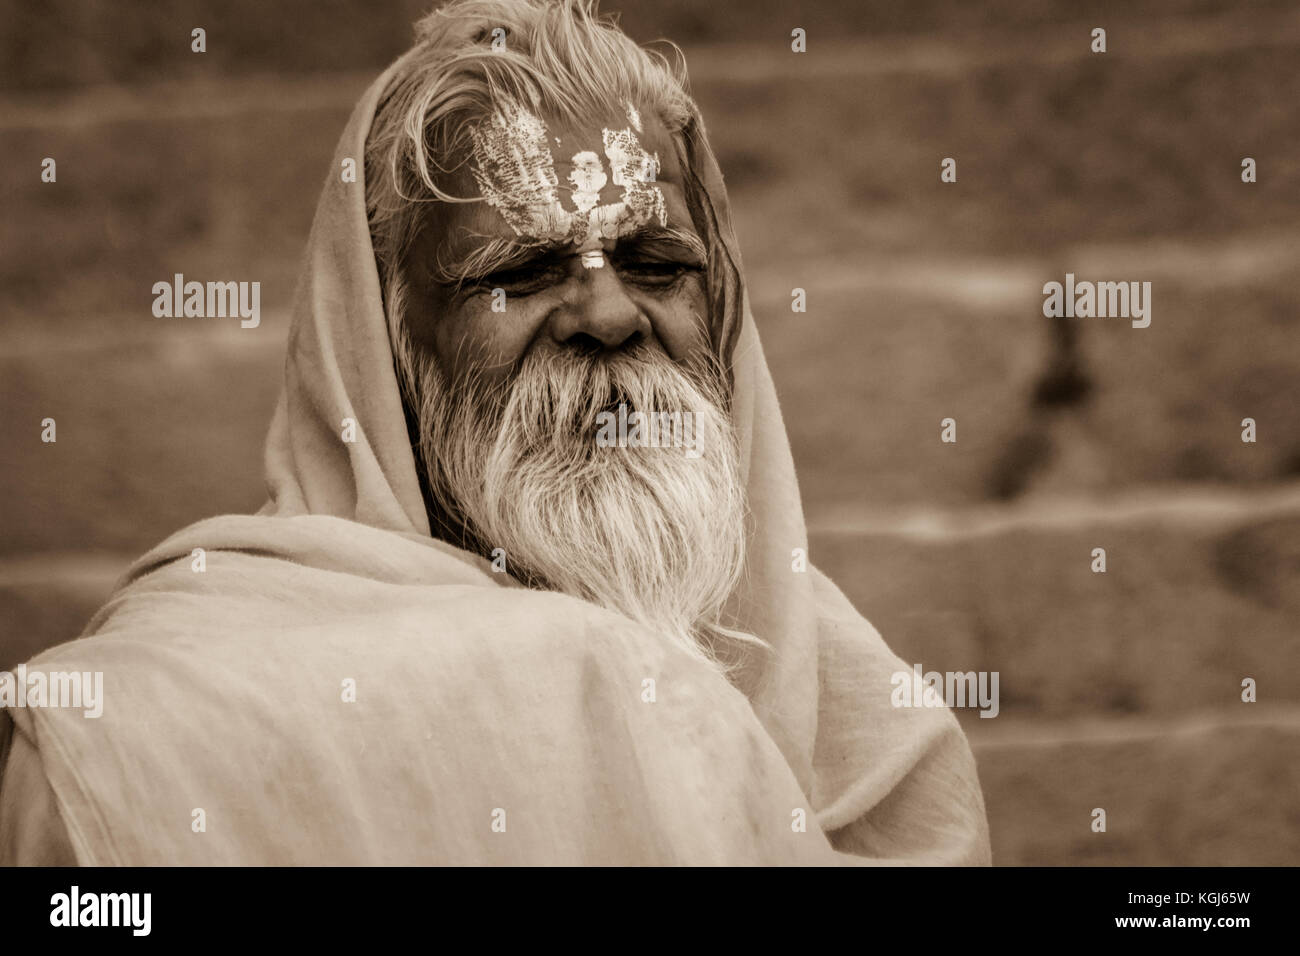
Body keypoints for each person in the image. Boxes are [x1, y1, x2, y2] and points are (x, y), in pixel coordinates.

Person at [0, 0, 990, 865]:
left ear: (724, 307)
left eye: (655, 263)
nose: (608, 317)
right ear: (386, 343)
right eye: (516, 272)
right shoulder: (157, 718)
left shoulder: (868, 730)